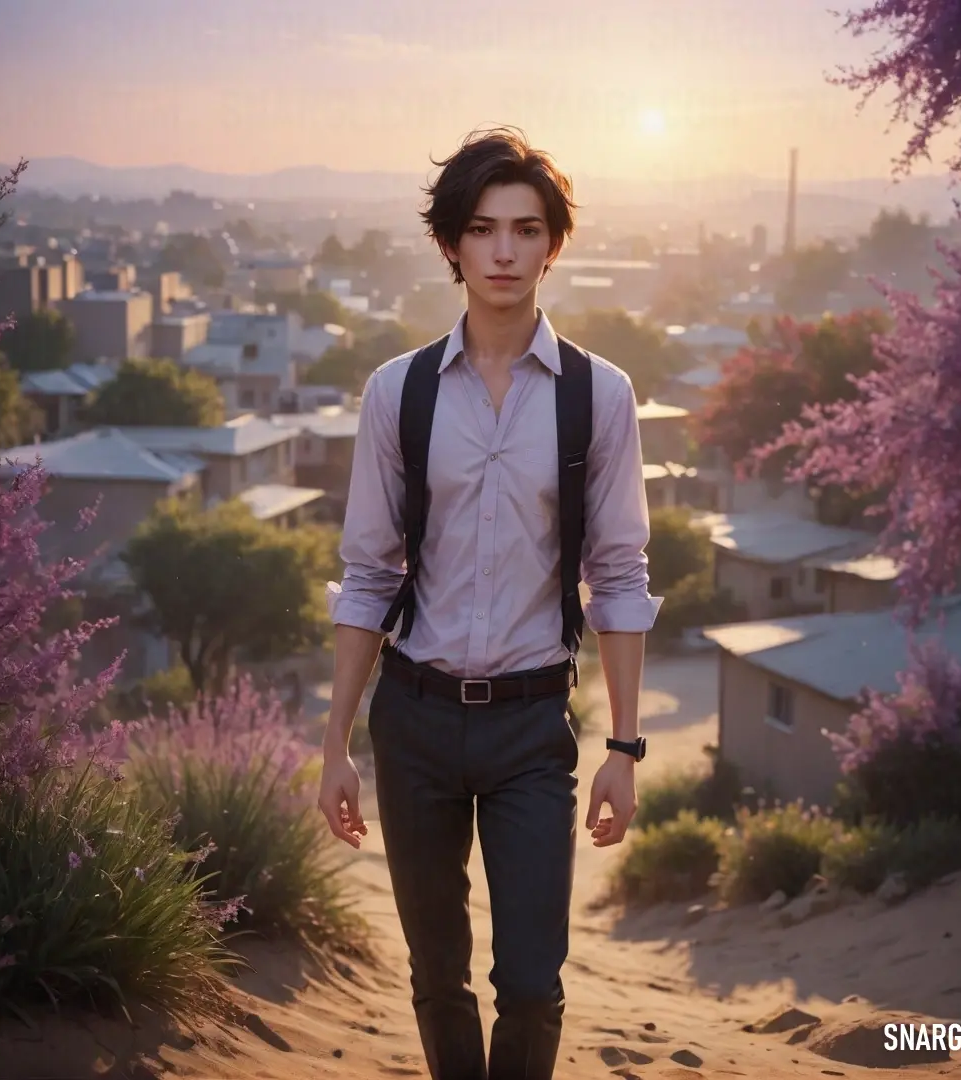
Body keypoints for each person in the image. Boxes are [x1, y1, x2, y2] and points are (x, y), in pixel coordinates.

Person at [317, 125, 662, 1080]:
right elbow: (370, 575)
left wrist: (624, 751)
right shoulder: (400, 393)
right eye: (482, 229)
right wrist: (336, 743)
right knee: (436, 976)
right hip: (414, 722)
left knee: (533, 981)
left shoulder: (601, 396)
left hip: (529, 731)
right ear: (451, 247)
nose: (504, 250)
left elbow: (620, 577)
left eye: (525, 228)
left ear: (553, 244)